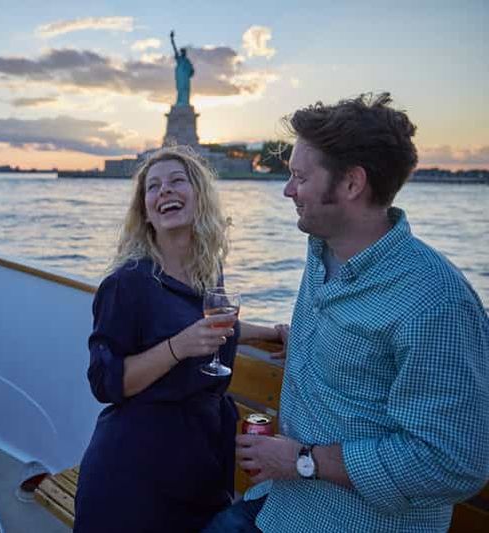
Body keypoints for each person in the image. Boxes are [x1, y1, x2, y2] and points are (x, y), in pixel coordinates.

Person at [202, 93, 489, 533]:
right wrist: (306, 342)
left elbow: (454, 461)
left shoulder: (436, 304)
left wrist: (303, 460)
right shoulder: (322, 249)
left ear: (352, 184)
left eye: (299, 176)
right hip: (279, 506)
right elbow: (362, 339)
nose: (288, 189)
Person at [74, 146, 288, 533]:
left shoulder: (207, 271)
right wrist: (177, 348)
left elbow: (216, 327)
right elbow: (105, 383)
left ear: (199, 195)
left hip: (202, 461)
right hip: (136, 473)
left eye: (177, 181)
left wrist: (272, 333)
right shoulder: (127, 283)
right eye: (153, 187)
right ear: (145, 209)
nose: (164, 191)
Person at [170, 30, 194, 106]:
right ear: (181, 53)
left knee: (186, 90)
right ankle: (180, 102)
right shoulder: (179, 59)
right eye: (182, 52)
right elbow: (174, 49)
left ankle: (185, 102)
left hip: (186, 78)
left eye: (184, 52)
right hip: (181, 77)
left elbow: (191, 70)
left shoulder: (187, 61)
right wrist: (172, 39)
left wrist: (191, 72)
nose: (183, 53)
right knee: (181, 90)